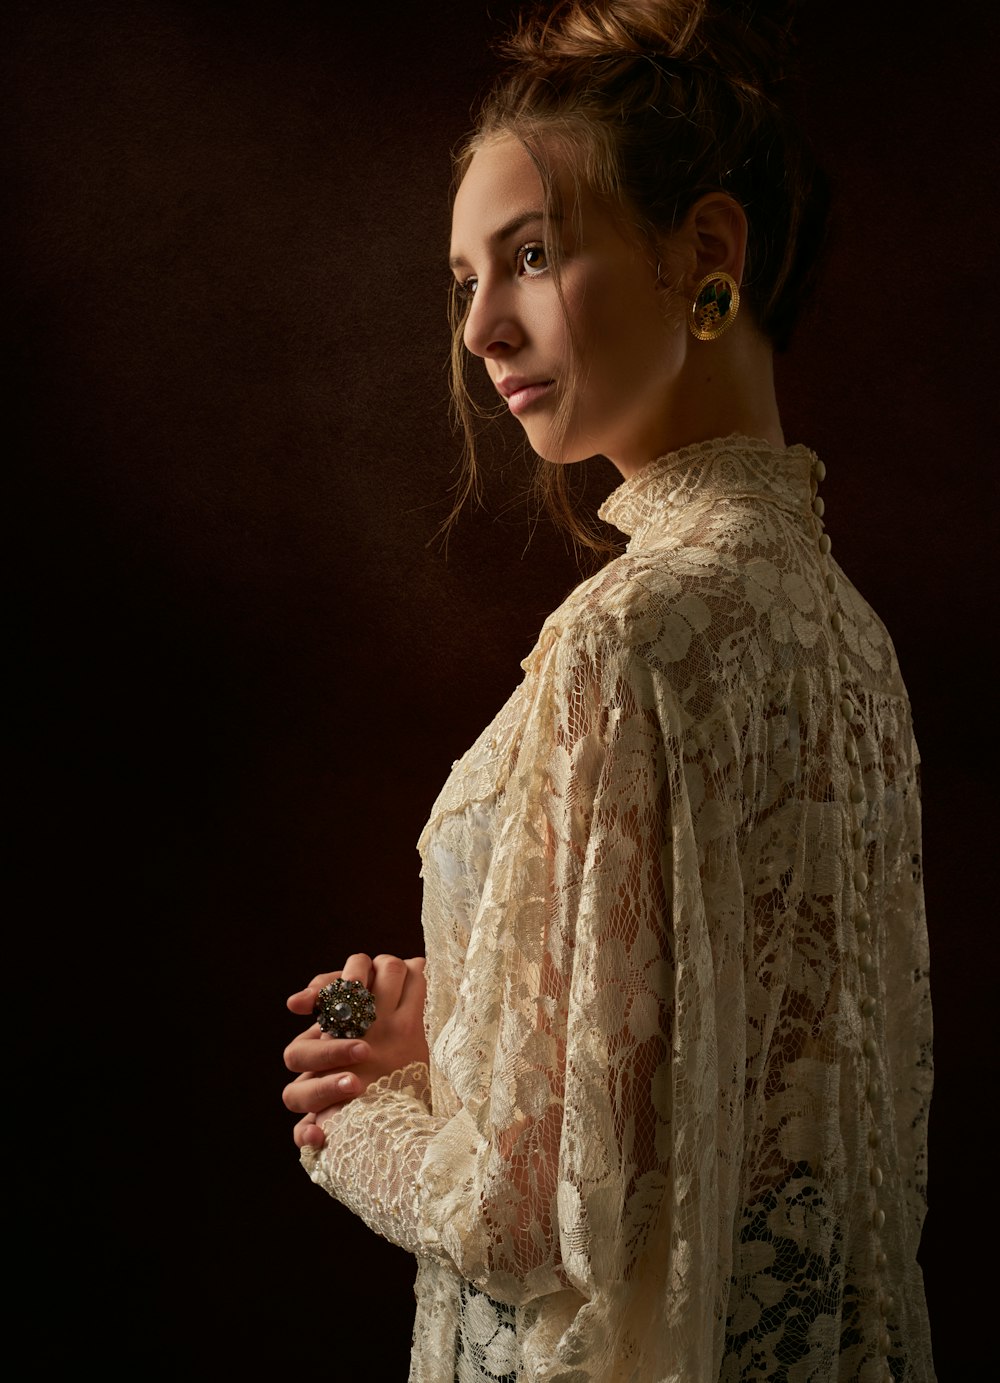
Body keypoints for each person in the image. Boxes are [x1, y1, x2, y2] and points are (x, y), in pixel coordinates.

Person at [281, 2, 935, 1379]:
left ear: (706, 256)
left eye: (529, 256)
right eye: (463, 280)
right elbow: (704, 1126)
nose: (481, 329)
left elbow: (531, 1217)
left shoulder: (628, 640)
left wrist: (362, 1108)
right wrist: (458, 1041)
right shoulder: (849, 638)